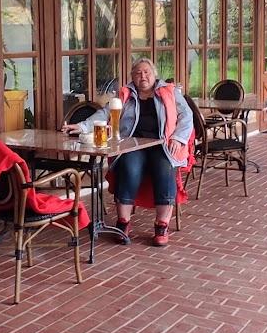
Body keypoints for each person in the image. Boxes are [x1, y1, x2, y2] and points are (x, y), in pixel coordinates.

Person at [66, 58, 191, 247]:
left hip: (163, 145)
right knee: (128, 167)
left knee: (165, 168)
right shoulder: (125, 94)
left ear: (154, 75)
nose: (143, 76)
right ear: (132, 76)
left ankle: (161, 225)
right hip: (133, 145)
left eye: (147, 72)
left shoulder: (169, 92)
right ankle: (123, 223)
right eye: (138, 73)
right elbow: (104, 113)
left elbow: (187, 116)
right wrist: (82, 126)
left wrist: (178, 138)